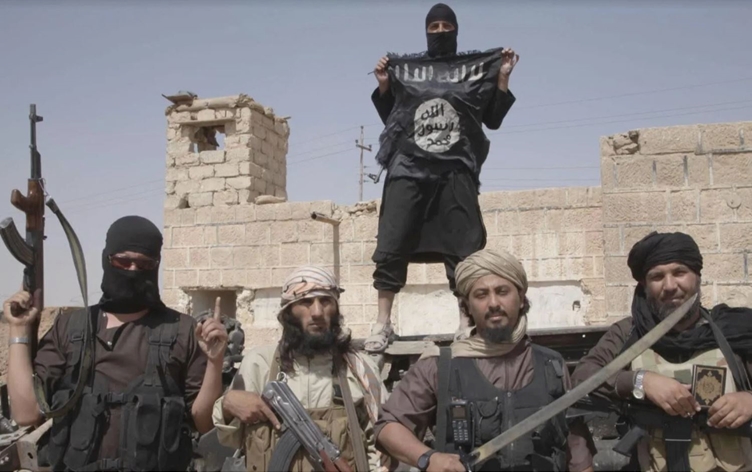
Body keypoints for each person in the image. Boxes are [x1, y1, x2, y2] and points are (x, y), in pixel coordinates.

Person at [4, 215, 228, 472]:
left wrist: (215, 362)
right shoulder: (71, 327)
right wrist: (18, 329)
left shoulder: (182, 330)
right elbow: (26, 413)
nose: (132, 270)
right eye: (122, 261)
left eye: (144, 264)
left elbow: (204, 423)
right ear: (107, 259)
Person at [365, 2, 521, 353]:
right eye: (433, 27)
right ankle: (382, 323)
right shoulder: (408, 70)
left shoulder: (473, 70)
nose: (440, 32)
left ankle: (466, 321)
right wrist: (385, 85)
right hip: (409, 167)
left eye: (446, 27)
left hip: (454, 169)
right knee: (391, 244)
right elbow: (393, 117)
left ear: (456, 31)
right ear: (425, 31)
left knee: (463, 248)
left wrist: (502, 76)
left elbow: (493, 120)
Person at [374, 248, 594, 472]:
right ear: (467, 306)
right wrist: (428, 459)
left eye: (502, 291)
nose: (493, 303)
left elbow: (577, 452)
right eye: (481, 295)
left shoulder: (552, 366)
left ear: (520, 299)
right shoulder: (440, 367)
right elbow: (388, 427)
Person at [570, 231, 752, 471]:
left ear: (697, 277)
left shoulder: (734, 331)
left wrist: (749, 401)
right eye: (657, 276)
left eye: (679, 272)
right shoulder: (629, 334)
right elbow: (582, 376)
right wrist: (640, 381)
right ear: (644, 285)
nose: (670, 286)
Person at [212, 265, 391, 472]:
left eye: (325, 301)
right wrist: (227, 405)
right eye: (306, 302)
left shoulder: (359, 368)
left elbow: (382, 446)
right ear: (288, 312)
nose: (317, 312)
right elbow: (229, 438)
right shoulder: (259, 363)